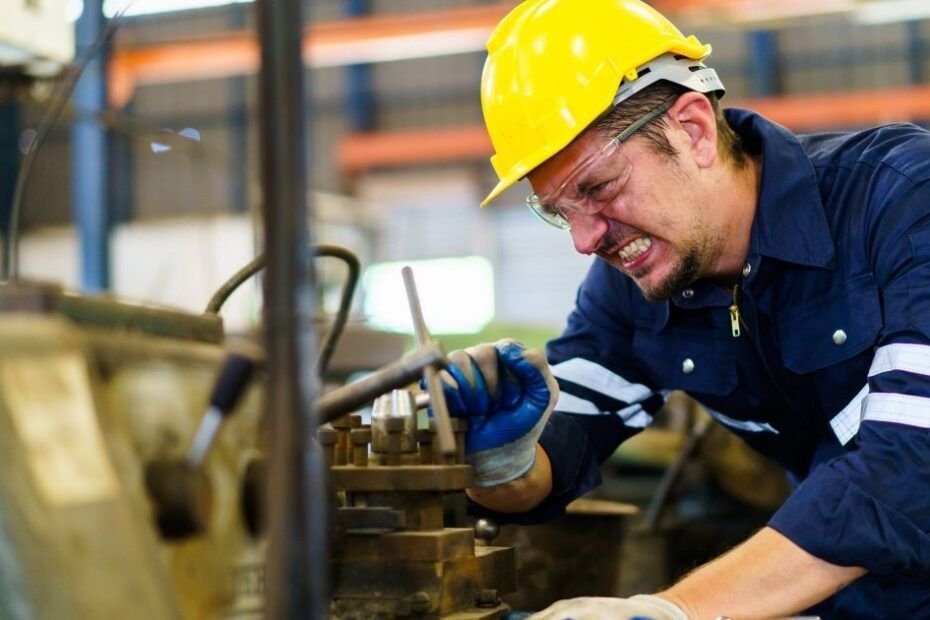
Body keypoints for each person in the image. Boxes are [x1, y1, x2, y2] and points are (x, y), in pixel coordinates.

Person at [437, 0, 930, 618]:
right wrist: (502, 459)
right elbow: (564, 448)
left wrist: (674, 610)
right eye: (561, 211)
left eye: (597, 188)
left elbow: (908, 466)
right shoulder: (637, 283)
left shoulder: (901, 200)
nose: (586, 240)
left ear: (692, 129)